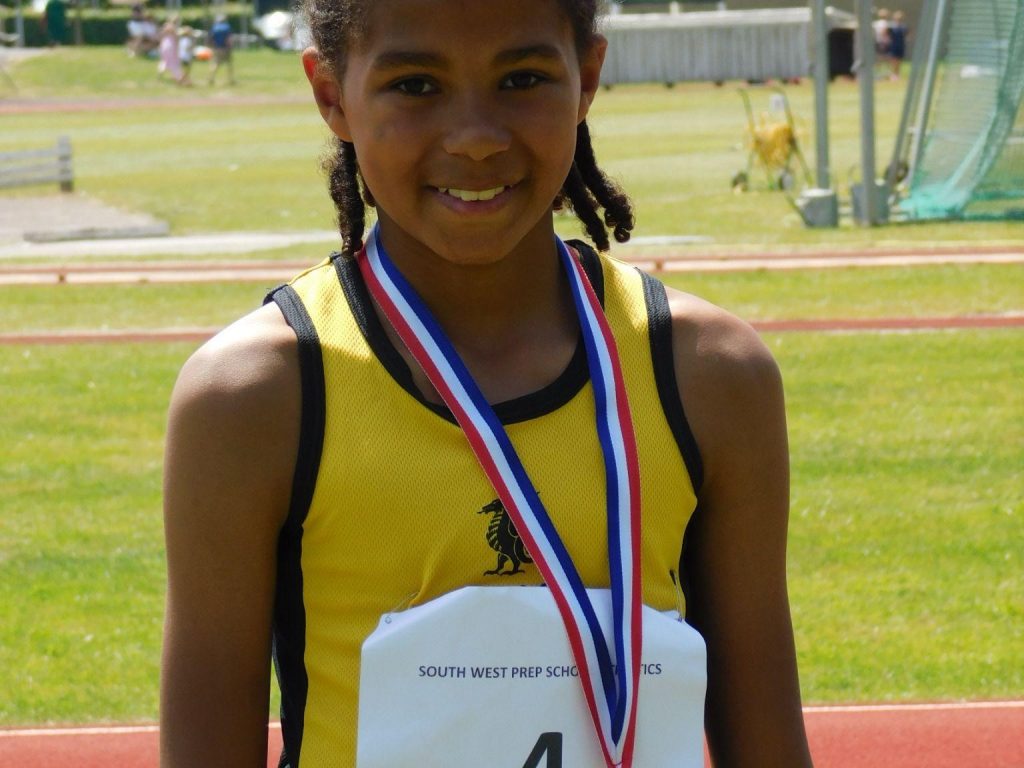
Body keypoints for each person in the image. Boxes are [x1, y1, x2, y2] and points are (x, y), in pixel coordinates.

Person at [160, 0, 813, 766]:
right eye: (415, 86)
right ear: (331, 94)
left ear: (589, 78)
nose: (474, 137)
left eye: (524, 77)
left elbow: (768, 744)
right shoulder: (255, 397)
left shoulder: (709, 375)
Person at [207, 14, 234, 86]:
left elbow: (210, 38)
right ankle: (230, 79)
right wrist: (230, 46)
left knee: (215, 63)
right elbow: (229, 38)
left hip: (216, 48)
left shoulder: (214, 28)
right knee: (229, 64)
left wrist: (211, 46)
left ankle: (211, 77)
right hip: (225, 48)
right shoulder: (227, 27)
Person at [888, 11, 908, 80]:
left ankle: (897, 74)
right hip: (893, 45)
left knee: (899, 60)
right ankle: (893, 74)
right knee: (893, 60)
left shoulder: (903, 27)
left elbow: (906, 35)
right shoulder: (891, 26)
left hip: (901, 45)